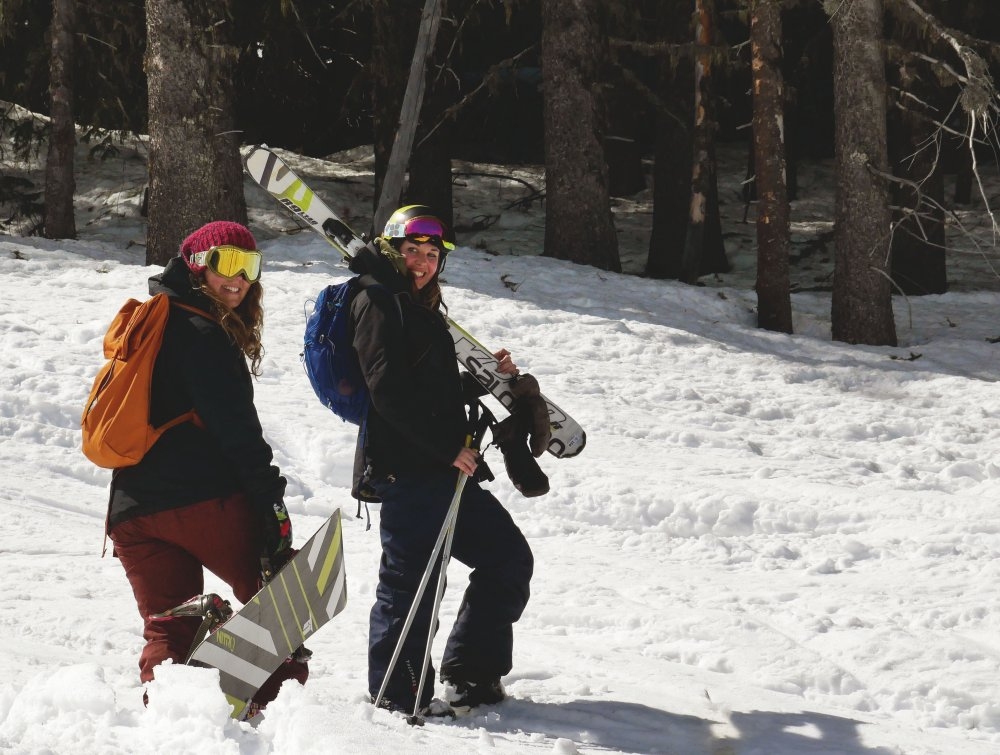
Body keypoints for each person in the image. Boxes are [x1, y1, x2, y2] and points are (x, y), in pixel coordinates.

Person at [107, 220, 307, 710]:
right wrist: (271, 508)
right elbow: (237, 431)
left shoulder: (154, 321)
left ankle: (173, 727)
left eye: (250, 266)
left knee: (168, 629)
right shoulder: (202, 332)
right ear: (198, 265)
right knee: (279, 608)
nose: (238, 278)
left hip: (132, 513)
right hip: (200, 500)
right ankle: (275, 719)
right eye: (225, 262)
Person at [348, 205, 534, 716]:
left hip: (447, 470)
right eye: (413, 251)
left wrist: (486, 376)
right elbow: (386, 390)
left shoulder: (419, 307)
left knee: (506, 559)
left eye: (432, 255)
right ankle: (395, 696)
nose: (424, 262)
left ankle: (470, 675)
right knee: (411, 587)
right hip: (408, 469)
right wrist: (444, 446)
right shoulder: (377, 301)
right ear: (391, 249)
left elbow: (426, 387)